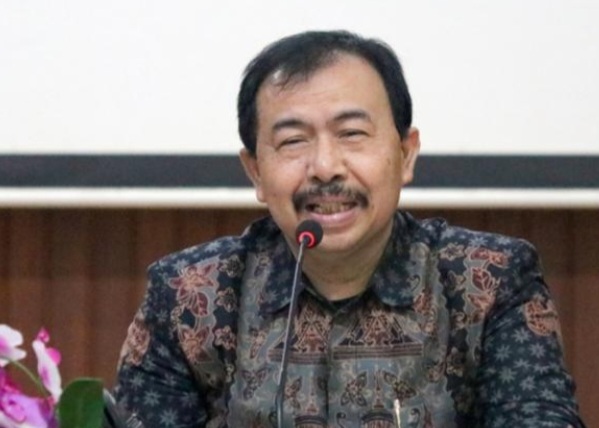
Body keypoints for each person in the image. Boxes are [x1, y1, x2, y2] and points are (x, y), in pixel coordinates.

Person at [114, 30, 585, 427]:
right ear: (255, 171)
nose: (325, 167)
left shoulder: (489, 283)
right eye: (293, 141)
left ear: (406, 154)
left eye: (352, 134)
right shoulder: (190, 298)